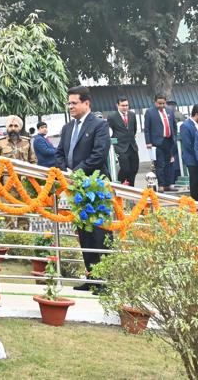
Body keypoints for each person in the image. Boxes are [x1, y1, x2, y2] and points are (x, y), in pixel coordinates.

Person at [56, 86, 110, 290]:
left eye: (74, 103)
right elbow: (59, 153)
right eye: (69, 103)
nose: (70, 106)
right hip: (76, 188)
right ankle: (91, 278)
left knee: (99, 232)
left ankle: (105, 280)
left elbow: (99, 155)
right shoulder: (68, 128)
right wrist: (65, 171)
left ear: (86, 103)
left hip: (95, 186)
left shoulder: (99, 125)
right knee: (84, 232)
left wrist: (76, 172)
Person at [143, 95, 179, 191]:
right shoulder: (150, 112)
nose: (161, 105)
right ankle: (161, 185)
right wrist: (148, 142)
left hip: (169, 141)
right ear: (155, 102)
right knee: (160, 164)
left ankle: (170, 184)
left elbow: (174, 126)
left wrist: (174, 138)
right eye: (159, 103)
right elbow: (147, 129)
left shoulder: (169, 111)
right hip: (157, 142)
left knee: (170, 164)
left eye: (163, 103)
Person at [107, 97, 140, 186]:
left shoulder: (132, 115)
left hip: (132, 146)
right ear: (117, 105)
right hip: (120, 147)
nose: (125, 107)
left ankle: (131, 188)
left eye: (126, 105)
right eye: (123, 105)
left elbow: (134, 129)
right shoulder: (112, 117)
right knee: (125, 169)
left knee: (134, 169)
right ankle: (120, 185)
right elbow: (110, 132)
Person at [179, 105, 198, 201]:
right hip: (192, 158)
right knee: (194, 181)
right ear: (196, 114)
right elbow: (188, 144)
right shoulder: (185, 126)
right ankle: (194, 201)